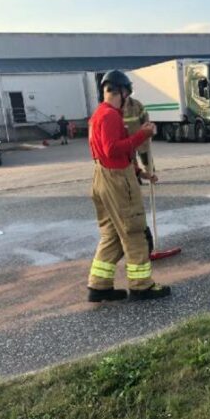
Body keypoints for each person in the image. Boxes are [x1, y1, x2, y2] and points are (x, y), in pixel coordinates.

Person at [87, 70, 172, 302]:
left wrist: (139, 172)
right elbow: (112, 150)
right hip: (117, 181)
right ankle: (141, 286)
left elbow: (109, 156)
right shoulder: (110, 116)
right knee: (134, 231)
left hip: (104, 177)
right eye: (127, 93)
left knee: (112, 234)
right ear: (122, 92)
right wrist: (142, 135)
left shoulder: (98, 115)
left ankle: (99, 286)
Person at [122, 94, 152, 186]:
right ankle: (137, 178)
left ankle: (150, 175)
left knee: (145, 158)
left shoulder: (136, 104)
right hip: (128, 139)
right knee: (132, 160)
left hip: (140, 138)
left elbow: (145, 116)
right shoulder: (118, 107)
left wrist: (146, 129)